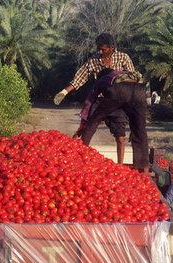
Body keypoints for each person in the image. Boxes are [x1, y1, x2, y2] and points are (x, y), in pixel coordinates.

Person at [54, 33, 141, 164]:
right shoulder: (93, 61)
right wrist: (64, 91)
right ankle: (80, 161)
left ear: (112, 48)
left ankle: (120, 166)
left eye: (103, 49)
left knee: (120, 137)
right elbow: (79, 78)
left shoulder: (123, 58)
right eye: (99, 49)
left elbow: (132, 79)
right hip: (99, 101)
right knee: (86, 133)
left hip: (117, 102)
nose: (100, 51)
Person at [73, 68, 149, 172]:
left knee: (94, 120)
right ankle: (142, 167)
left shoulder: (103, 78)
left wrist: (84, 122)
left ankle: (80, 154)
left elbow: (89, 101)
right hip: (140, 91)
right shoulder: (126, 74)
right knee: (139, 130)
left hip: (120, 90)